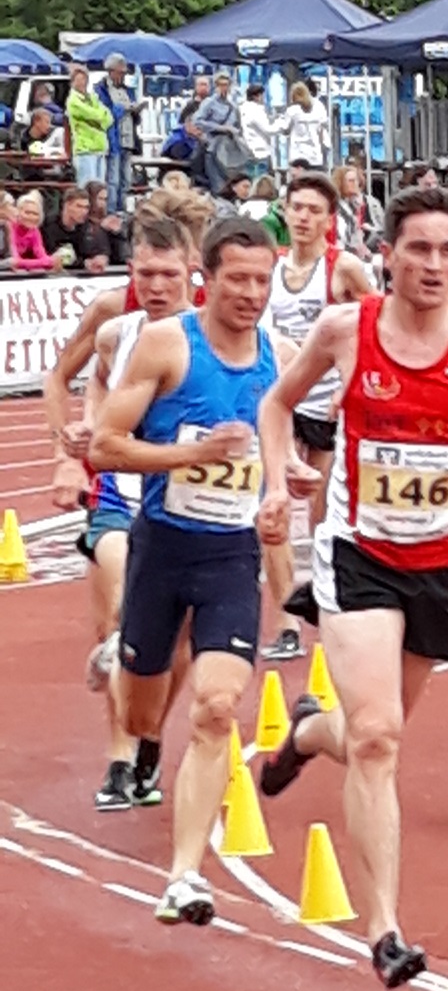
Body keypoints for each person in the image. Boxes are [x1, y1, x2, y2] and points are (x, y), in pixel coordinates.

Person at [255, 183, 448, 988]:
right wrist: (279, 476)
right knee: (377, 737)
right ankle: (383, 929)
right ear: (387, 255)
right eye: (419, 249)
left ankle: (311, 733)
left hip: (442, 562)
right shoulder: (347, 330)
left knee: (372, 731)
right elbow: (277, 405)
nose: (435, 265)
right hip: (358, 553)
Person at [90, 219, 285, 926]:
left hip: (231, 556)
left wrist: (282, 491)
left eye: (262, 280)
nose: (251, 293)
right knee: (142, 716)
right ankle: (123, 652)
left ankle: (183, 876)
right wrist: (189, 457)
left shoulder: (279, 358)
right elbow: (106, 447)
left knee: (215, 708)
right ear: (208, 277)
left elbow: (282, 455)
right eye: (238, 279)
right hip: (163, 548)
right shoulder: (168, 345)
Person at [57, 216, 197, 810]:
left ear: (192, 271)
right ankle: (119, 760)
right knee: (118, 617)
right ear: (131, 271)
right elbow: (88, 385)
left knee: (178, 643)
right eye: (145, 275)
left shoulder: (208, 338)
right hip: (120, 494)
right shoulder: (117, 334)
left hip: (186, 504)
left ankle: (149, 738)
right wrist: (76, 443)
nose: (156, 287)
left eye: (169, 275)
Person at [258, 169, 376, 661]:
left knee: (322, 515)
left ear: (330, 220)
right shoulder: (271, 267)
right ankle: (287, 621)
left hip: (330, 407)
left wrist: (349, 383)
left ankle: (329, 605)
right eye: (297, 208)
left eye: (314, 211)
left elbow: (375, 326)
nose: (303, 218)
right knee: (273, 507)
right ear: (285, 212)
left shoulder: (342, 268)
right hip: (285, 401)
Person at [97, 54, 146, 214]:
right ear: (111, 71)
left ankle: (122, 209)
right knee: (113, 179)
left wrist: (136, 111)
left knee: (126, 178)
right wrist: (123, 109)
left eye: (124, 73)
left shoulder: (128, 90)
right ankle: (111, 210)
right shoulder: (101, 90)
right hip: (113, 140)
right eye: (120, 72)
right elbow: (104, 114)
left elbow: (135, 118)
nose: (122, 76)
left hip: (129, 139)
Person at [192, 73, 248, 193]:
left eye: (226, 85)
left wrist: (234, 132)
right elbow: (197, 121)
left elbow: (239, 127)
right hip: (213, 148)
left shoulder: (233, 106)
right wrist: (220, 128)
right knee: (218, 187)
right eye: (221, 85)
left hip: (229, 151)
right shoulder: (209, 103)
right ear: (216, 86)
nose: (224, 88)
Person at [65, 65, 113, 186]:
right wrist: (100, 118)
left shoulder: (93, 98)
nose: (82, 83)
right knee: (86, 187)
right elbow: (94, 115)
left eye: (84, 79)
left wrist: (99, 118)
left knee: (100, 188)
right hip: (85, 150)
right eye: (78, 80)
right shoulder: (73, 101)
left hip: (100, 148)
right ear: (72, 82)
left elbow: (109, 118)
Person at [276, 81, 330, 172]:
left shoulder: (292, 110)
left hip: (297, 155)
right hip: (315, 155)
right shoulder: (319, 107)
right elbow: (322, 129)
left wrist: (279, 121)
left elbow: (285, 130)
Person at [334, 163, 385, 255]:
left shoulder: (370, 203)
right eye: (351, 181)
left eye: (356, 180)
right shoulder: (336, 206)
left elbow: (382, 227)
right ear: (341, 183)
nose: (355, 184)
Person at [9, 193, 62, 271]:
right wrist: (48, 262)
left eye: (35, 214)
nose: (31, 217)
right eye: (27, 212)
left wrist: (52, 261)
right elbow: (15, 262)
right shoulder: (9, 227)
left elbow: (42, 255)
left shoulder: (34, 231)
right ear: (18, 212)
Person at [239, 83, 275, 177]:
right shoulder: (255, 110)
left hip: (248, 151)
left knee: (251, 178)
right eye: (262, 95)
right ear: (256, 96)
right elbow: (268, 129)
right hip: (261, 152)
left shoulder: (243, 109)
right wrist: (281, 124)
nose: (263, 98)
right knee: (262, 180)